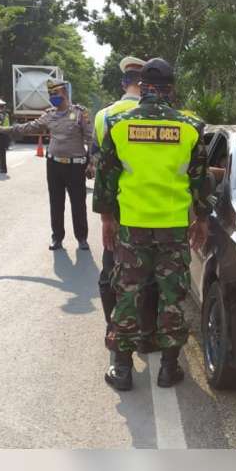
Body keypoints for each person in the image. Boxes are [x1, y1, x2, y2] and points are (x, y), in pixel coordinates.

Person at [94, 57, 210, 391]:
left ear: (141, 86)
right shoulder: (191, 128)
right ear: (172, 89)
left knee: (127, 294)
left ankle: (122, 369)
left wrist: (106, 220)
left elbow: (105, 179)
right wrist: (200, 221)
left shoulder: (117, 123)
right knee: (171, 296)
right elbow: (200, 181)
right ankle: (168, 368)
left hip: (131, 227)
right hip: (174, 229)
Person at [92, 56, 161, 355]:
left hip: (120, 209)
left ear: (124, 82)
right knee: (152, 277)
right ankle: (148, 334)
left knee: (112, 273)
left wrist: (106, 216)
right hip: (159, 208)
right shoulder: (164, 116)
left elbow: (100, 167)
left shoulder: (105, 117)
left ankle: (116, 331)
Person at [2, 79, 93, 251]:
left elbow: (90, 138)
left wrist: (92, 163)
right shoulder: (49, 115)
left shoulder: (80, 113)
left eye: (55, 94)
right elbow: (29, 127)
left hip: (75, 166)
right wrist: (7, 129)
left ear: (65, 93)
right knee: (56, 202)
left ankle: (82, 238)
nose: (53, 97)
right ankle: (57, 238)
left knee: (78, 203)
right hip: (54, 165)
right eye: (50, 94)